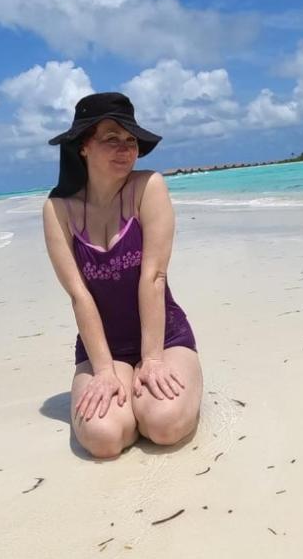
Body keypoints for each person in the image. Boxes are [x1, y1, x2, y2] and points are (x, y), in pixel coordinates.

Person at [42, 92, 202, 459]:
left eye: (131, 140)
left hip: (164, 337)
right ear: (83, 146)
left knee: (164, 424)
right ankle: (126, 399)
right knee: (104, 437)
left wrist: (154, 360)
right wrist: (102, 371)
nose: (125, 148)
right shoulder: (58, 210)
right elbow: (79, 296)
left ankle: (148, 397)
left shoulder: (148, 188)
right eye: (111, 138)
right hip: (103, 348)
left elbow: (154, 277)